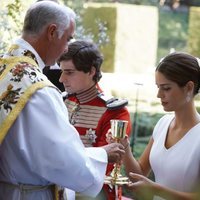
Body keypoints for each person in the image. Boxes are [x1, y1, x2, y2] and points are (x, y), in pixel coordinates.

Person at [0, 1, 126, 200]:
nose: (66, 48)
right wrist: (101, 155)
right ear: (52, 32)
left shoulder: (5, 71)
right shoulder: (38, 90)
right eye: (67, 39)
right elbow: (62, 162)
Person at [120, 52, 200, 200]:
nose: (159, 94)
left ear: (189, 87)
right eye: (158, 87)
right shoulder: (163, 123)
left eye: (166, 88)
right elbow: (139, 175)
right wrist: (124, 147)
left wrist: (156, 189)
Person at [58, 40, 132, 200]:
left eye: (69, 72)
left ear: (91, 71)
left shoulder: (115, 111)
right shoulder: (60, 101)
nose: (61, 79)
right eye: (62, 71)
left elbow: (104, 166)